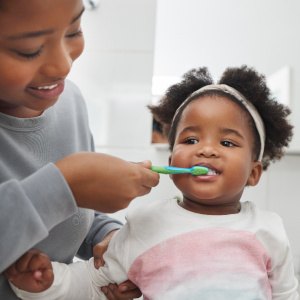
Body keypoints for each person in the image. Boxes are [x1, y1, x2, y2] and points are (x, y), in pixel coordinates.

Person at [7, 66, 299, 299]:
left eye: (226, 142)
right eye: (191, 139)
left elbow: (286, 295)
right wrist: (44, 283)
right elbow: (93, 283)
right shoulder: (145, 226)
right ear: (172, 160)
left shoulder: (268, 231)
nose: (206, 149)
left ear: (254, 173)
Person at [0, 0, 159, 299]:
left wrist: (107, 238)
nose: (63, 65)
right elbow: (62, 194)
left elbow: (73, 214)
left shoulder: (69, 100)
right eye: (30, 49)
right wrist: (66, 185)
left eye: (73, 31)